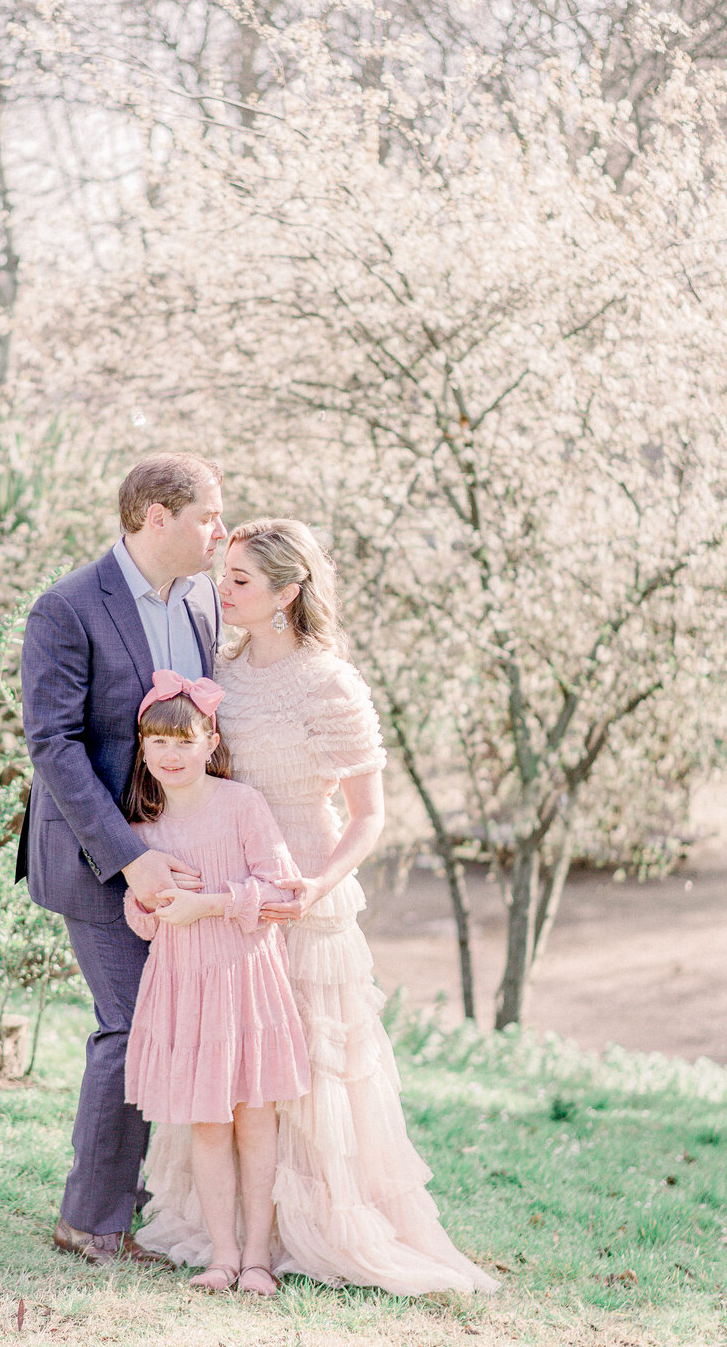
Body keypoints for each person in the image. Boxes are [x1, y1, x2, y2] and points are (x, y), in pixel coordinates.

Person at [137, 518, 498, 1296]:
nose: (221, 591)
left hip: (300, 895)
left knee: (301, 1075)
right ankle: (228, 1238)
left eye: (239, 581)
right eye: (222, 576)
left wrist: (317, 886)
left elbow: (369, 815)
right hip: (222, 897)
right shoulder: (216, 672)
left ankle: (307, 1231)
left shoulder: (330, 681)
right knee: (231, 1066)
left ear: (286, 594)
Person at [16, 454, 226, 1264]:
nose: (219, 530)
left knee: (168, 1027)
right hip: (98, 855)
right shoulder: (67, 608)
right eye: (208, 515)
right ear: (156, 518)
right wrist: (129, 857)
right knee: (133, 1026)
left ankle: (143, 1206)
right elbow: (54, 747)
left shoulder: (205, 599)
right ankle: (91, 1222)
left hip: (181, 856)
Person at [121, 673, 310, 1295]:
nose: (170, 755)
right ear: (143, 749)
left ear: (210, 742)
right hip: (184, 987)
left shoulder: (241, 806)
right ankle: (222, 1257)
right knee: (207, 1122)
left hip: (244, 978)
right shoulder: (143, 829)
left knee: (255, 1119)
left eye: (184, 741)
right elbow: (142, 921)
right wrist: (149, 901)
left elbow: (281, 891)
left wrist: (211, 905)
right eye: (157, 742)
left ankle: (257, 1258)